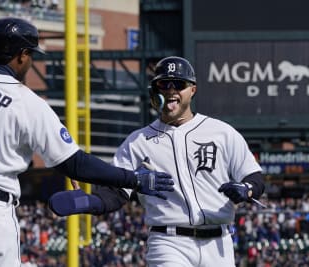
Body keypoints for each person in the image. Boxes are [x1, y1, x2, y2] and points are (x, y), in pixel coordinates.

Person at [0, 17, 174, 267]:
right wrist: (133, 179)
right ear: (22, 55)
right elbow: (76, 163)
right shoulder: (27, 101)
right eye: (30, 55)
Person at [49, 56, 265, 267]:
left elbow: (253, 176)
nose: (171, 90)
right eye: (163, 84)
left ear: (193, 89)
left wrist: (246, 189)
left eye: (178, 84)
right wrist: (86, 202)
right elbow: (116, 194)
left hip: (220, 243)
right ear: (155, 90)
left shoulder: (221, 132)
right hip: (169, 242)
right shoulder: (138, 141)